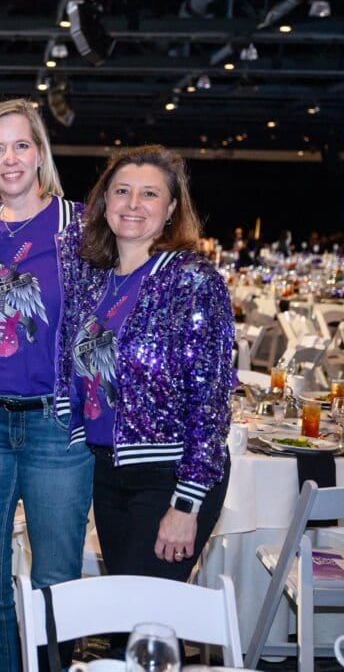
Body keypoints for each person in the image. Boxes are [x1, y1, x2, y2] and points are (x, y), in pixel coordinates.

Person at [0, 99, 97, 671]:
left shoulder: (82, 227)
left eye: (21, 145)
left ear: (41, 154)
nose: (9, 159)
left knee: (55, 585)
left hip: (56, 428)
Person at [71, 145, 232, 585]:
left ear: (171, 209)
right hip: (107, 472)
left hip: (169, 475)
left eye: (149, 194)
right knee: (129, 617)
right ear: (105, 203)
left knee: (147, 617)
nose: (133, 205)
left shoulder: (192, 279)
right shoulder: (96, 280)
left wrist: (187, 503)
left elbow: (212, 401)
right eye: (122, 191)